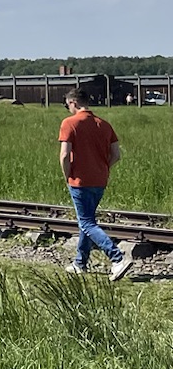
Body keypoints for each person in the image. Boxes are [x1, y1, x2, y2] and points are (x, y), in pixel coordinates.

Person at [60, 89, 133, 280]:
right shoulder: (105, 125)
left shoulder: (69, 123)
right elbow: (116, 154)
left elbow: (65, 155)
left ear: (73, 103)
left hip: (79, 181)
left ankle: (117, 258)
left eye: (68, 105)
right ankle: (80, 262)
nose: (68, 108)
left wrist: (67, 175)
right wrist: (103, 168)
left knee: (86, 222)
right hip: (100, 180)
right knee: (87, 221)